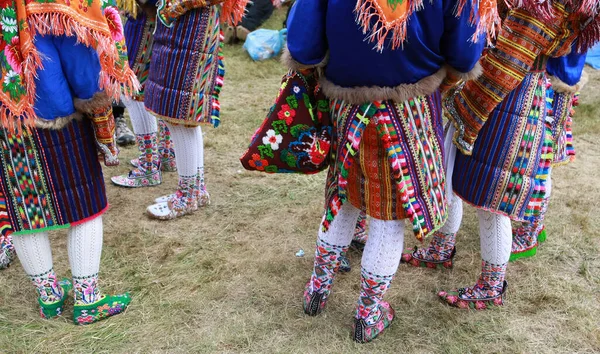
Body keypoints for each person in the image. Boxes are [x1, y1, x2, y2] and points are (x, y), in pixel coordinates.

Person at [286, 0, 491, 342]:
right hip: (411, 107)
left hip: (345, 103)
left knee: (343, 198)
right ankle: (368, 315)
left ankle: (316, 293)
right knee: (387, 216)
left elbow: (304, 48)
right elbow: (465, 55)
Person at [404, 0, 600, 310]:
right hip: (506, 91)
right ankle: (442, 248)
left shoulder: (541, 5)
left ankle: (491, 286)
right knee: (454, 176)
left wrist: (465, 103)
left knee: (491, 202)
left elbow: (509, 60)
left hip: (505, 96)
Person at [0, 0, 137, 323]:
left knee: (25, 208)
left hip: (7, 118)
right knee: (84, 204)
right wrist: (97, 104)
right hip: (50, 107)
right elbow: (80, 54)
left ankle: (49, 296)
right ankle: (88, 299)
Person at [143, 0, 248, 219]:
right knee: (182, 115)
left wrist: (175, 6)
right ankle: (196, 189)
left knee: (181, 114)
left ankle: (187, 195)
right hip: (183, 25)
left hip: (190, 25)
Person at [510, 52, 587, 261]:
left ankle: (529, 235)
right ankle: (536, 224)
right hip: (559, 79)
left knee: (542, 161)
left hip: (554, 83)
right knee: (543, 159)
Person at [111, 5, 178, 188]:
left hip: (146, 19)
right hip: (158, 20)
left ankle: (149, 166)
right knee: (154, 87)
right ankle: (165, 153)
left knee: (134, 91)